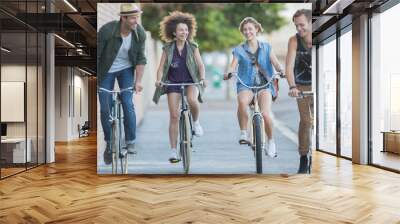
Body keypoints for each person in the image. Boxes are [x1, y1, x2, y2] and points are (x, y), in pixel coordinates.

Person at [224, 17, 284, 158]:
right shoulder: (239, 50)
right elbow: (233, 65)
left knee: (266, 113)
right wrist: (228, 72)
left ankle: (271, 141)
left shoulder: (267, 47)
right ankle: (244, 132)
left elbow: (275, 62)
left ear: (256, 29)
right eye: (244, 29)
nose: (247, 32)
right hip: (246, 85)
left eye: (250, 29)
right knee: (242, 102)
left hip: (265, 85)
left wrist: (281, 70)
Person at [152, 11, 207, 163]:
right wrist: (158, 80)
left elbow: (201, 65)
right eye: (181, 30)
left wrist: (202, 78)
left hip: (191, 81)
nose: (184, 32)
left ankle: (195, 123)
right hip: (173, 83)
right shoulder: (168, 48)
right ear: (174, 33)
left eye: (186, 30)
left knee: (192, 100)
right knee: (174, 116)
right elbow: (161, 67)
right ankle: (173, 151)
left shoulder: (193, 46)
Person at [97, 3, 147, 165]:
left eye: (137, 17)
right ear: (123, 18)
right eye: (133, 18)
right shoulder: (106, 31)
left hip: (126, 70)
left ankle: (131, 141)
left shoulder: (139, 33)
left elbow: (140, 59)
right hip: (106, 70)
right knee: (105, 107)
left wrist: (138, 81)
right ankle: (109, 143)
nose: (135, 21)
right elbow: (96, 57)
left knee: (127, 102)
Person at [285, 9, 313, 173]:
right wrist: (292, 86)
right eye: (296, 25)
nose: (299, 28)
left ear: (311, 22)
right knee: (306, 121)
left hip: (319, 85)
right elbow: (288, 66)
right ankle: (304, 157)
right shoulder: (294, 41)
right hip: (301, 86)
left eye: (302, 25)